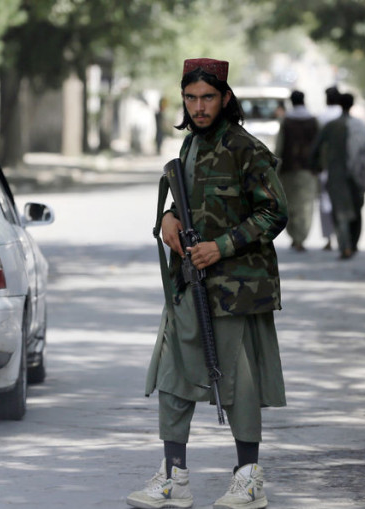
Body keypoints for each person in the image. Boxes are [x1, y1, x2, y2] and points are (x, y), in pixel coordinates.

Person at [128, 58, 288, 509]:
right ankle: (173, 477)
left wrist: (222, 246)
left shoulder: (246, 149)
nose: (199, 107)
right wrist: (168, 218)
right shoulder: (189, 146)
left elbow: (275, 212)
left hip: (236, 288)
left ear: (225, 98)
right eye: (191, 98)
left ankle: (249, 479)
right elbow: (188, 203)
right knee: (173, 375)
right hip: (190, 282)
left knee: (238, 384)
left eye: (208, 98)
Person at [312, 92, 365, 260]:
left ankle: (345, 246)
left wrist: (316, 167)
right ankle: (352, 244)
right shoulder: (360, 125)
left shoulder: (331, 126)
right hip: (359, 174)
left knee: (340, 212)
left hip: (336, 175)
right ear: (352, 104)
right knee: (356, 210)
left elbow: (316, 147)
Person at [274, 90, 319, 252]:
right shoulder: (313, 121)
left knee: (290, 205)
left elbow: (279, 147)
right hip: (308, 171)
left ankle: (295, 236)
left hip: (288, 170)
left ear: (291, 102)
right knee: (305, 206)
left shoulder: (286, 121)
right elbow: (319, 146)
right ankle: (300, 238)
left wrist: (275, 170)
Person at [317, 86, 343, 251]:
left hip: (325, 165)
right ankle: (343, 236)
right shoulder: (344, 116)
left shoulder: (321, 117)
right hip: (342, 166)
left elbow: (317, 144)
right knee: (341, 201)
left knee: (325, 201)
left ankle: (328, 239)